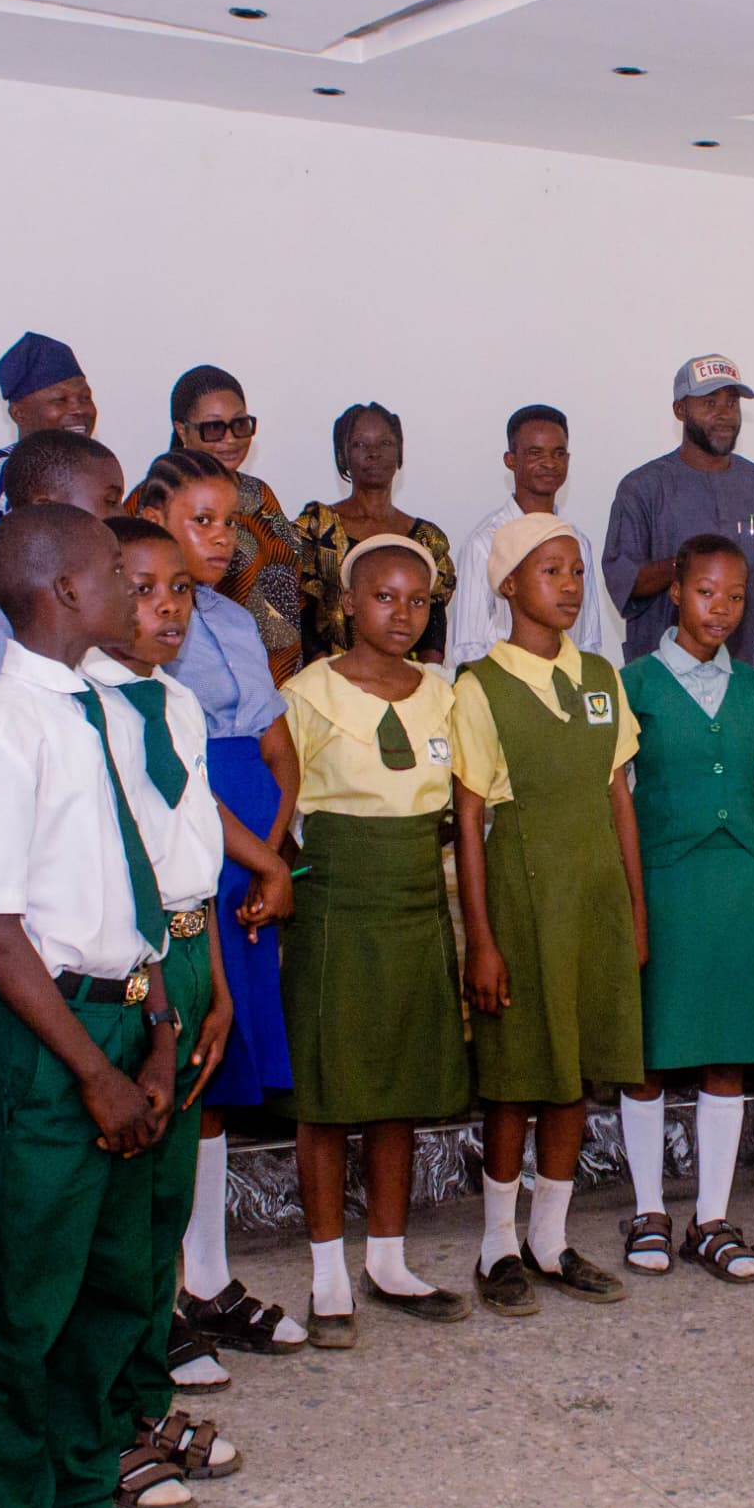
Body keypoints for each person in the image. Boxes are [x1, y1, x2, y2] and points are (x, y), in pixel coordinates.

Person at [0, 503, 185, 1508]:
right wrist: (96, 1073)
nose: (136, 590)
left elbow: (134, 883)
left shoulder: (106, 712)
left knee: (108, 1282)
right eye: (118, 574)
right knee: (23, 1295)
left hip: (124, 1023)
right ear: (67, 591)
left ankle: (85, 1490)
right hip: (47, 1048)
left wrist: (160, 1029)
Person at [85, 516, 276, 1495]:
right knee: (116, 1218)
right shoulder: (82, 709)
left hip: (193, 951)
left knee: (162, 1209)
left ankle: (146, 1405)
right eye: (143, 588)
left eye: (182, 590)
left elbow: (195, 840)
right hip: (134, 961)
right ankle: (100, 1430)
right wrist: (166, 996)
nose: (168, 608)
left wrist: (217, 988)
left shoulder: (178, 703)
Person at [128, 452, 312, 1371]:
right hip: (199, 848)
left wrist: (269, 858)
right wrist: (258, 856)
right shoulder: (137, 637)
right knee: (174, 1063)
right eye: (199, 519)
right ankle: (151, 1296)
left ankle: (206, 1276)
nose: (221, 538)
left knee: (218, 1073)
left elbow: (278, 749)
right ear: (151, 516)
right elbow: (180, 780)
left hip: (248, 858)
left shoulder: (237, 619)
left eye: (230, 521)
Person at [276, 535, 474, 1345]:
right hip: (336, 899)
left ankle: (388, 1261)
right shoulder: (305, 695)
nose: (402, 614)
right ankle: (328, 1276)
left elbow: (461, 803)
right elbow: (279, 808)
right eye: (384, 597)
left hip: (416, 897)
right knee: (329, 1092)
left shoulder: (445, 694)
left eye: (417, 600)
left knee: (400, 1083)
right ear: (347, 604)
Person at [454, 514, 647, 1312]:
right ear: (508, 585)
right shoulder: (480, 685)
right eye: (550, 571)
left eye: (576, 571)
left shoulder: (600, 676)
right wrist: (481, 940)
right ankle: (497, 1244)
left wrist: (636, 910)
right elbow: (469, 819)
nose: (570, 586)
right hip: (524, 900)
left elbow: (619, 798)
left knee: (574, 1074)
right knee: (517, 1078)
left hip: (594, 897)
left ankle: (551, 1239)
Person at [615, 534, 754, 1283]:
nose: (721, 608)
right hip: (664, 881)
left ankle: (711, 1219)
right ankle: (648, 1210)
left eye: (736, 596)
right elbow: (617, 795)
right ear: (676, 591)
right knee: (651, 1049)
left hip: (739, 880)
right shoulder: (633, 684)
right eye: (707, 592)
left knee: (728, 1049)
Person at [604, 354, 754, 663]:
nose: (724, 414)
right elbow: (626, 582)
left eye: (732, 403)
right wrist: (688, 565)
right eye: (709, 403)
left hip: (751, 674)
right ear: (680, 410)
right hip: (665, 677)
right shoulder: (642, 488)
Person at [0, 331, 98, 635]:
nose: (79, 409)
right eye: (60, 400)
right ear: (18, 412)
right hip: (16, 652)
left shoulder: (98, 472)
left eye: (85, 397)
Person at [164, 364, 306, 687]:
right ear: (183, 431)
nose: (230, 439)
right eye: (214, 428)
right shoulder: (160, 500)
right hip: (205, 688)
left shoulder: (260, 495)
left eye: (240, 425)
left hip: (281, 685)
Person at [0, 430, 128, 697]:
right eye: (110, 501)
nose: (121, 514)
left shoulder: (101, 605)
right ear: (45, 505)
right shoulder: (2, 626)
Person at [450, 405, 616, 667]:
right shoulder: (484, 542)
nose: (549, 463)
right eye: (535, 453)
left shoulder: (578, 541)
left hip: (567, 685)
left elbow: (588, 642)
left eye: (558, 453)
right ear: (510, 460)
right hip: (504, 685)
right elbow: (468, 649)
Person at [296, 403, 456, 664]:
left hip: (407, 679)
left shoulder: (427, 539)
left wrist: (429, 679)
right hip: (331, 678)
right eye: (360, 444)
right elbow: (303, 612)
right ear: (342, 455)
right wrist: (326, 678)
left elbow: (434, 625)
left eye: (385, 443)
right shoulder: (317, 527)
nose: (373, 453)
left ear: (400, 452)